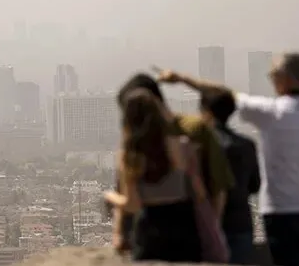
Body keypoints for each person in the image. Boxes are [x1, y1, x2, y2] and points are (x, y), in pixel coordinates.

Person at [155, 52, 299, 266]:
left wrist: (180, 78)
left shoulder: (271, 112)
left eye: (272, 75)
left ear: (283, 77)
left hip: (281, 213)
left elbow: (223, 93)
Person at [110, 73, 234, 250]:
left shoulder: (192, 130)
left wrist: (210, 231)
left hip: (176, 233)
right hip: (168, 235)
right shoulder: (140, 142)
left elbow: (217, 187)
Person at [109, 88, 203, 262]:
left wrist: (111, 197)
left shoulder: (130, 155)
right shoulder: (182, 145)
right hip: (184, 227)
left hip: (150, 231)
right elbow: (199, 192)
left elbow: (132, 204)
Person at [199, 89, 261, 264]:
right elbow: (255, 186)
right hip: (241, 223)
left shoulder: (200, 145)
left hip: (209, 225)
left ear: (206, 111)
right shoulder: (247, 145)